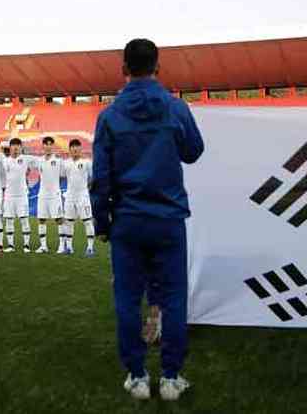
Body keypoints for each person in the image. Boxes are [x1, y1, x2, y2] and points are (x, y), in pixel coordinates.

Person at [91, 38, 204, 401]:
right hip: (168, 218)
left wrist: (102, 223)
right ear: (159, 67)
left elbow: (100, 178)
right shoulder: (176, 108)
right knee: (174, 298)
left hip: (127, 219)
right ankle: (171, 377)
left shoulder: (108, 115)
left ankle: (137, 376)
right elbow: (194, 152)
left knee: (127, 298)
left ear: (124, 69)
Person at [1, 138, 36, 253]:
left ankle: (26, 245)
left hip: (22, 195)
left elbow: (41, 161)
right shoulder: (5, 161)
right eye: (13, 146)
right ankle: (10, 245)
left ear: (21, 148)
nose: (15, 148)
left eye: (18, 146)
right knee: (9, 220)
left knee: (24, 220)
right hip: (9, 195)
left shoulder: (26, 159)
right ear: (10, 147)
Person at [62, 139, 95, 256]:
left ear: (80, 149)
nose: (75, 149)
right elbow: (61, 177)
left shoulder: (87, 162)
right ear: (70, 149)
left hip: (83, 196)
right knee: (69, 222)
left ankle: (90, 248)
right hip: (70, 196)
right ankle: (69, 248)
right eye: (73, 147)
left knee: (87, 221)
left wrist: (87, 189)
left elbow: (92, 178)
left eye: (77, 147)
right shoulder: (65, 163)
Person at [34, 136, 64, 254]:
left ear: (52, 146)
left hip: (55, 195)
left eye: (50, 144)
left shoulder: (58, 160)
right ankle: (43, 246)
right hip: (42, 195)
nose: (48, 146)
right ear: (43, 146)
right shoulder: (39, 160)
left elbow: (63, 175)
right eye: (46, 144)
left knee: (58, 219)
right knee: (41, 220)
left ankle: (62, 245)